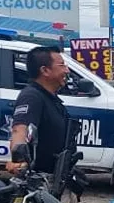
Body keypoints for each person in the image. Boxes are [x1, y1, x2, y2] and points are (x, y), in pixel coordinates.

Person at [6, 46, 70, 176]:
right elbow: (20, 129)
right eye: (62, 65)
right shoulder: (31, 97)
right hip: (38, 181)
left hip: (56, 178)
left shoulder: (51, 98)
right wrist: (19, 160)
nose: (67, 70)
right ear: (45, 70)